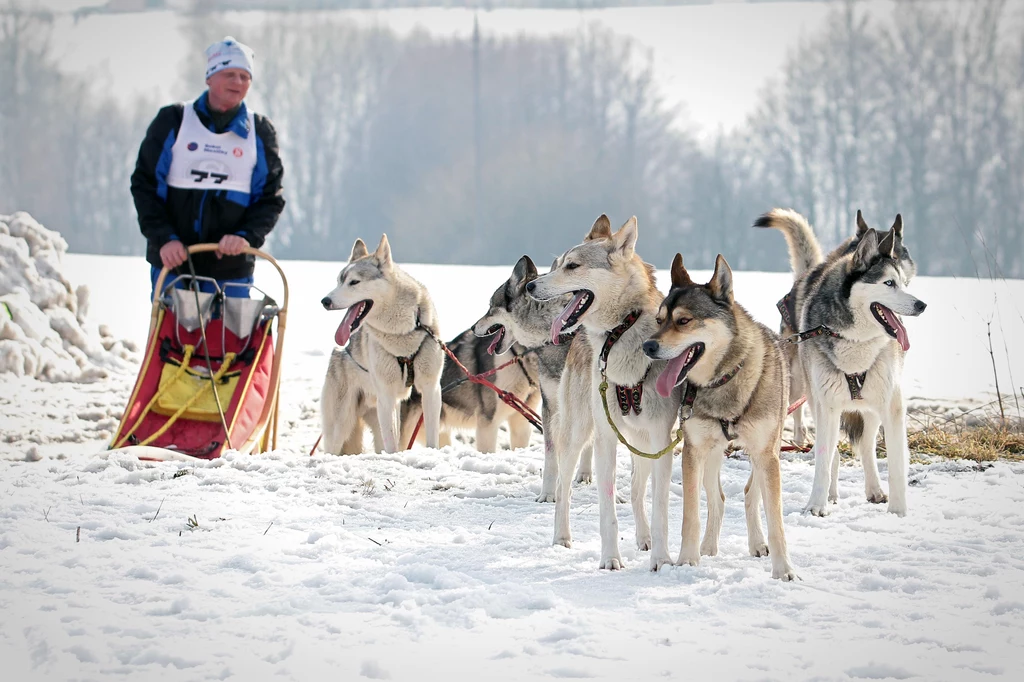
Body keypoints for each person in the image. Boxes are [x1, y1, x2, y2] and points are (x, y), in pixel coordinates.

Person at [131, 36, 285, 300]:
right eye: (229, 74)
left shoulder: (259, 131)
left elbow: (270, 199)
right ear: (210, 78)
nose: (238, 82)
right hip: (174, 260)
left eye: (244, 76)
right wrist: (164, 238)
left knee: (228, 341)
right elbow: (145, 185)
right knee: (172, 339)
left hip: (231, 266)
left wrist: (245, 236)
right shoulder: (174, 120)